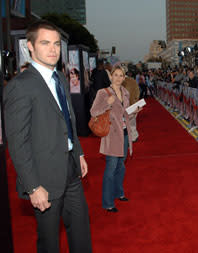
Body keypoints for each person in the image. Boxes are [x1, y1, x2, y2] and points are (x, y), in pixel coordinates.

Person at [4, 20, 92, 252]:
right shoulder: (20, 86)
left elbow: (69, 121)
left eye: (56, 44)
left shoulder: (61, 78)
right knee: (49, 242)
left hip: (71, 169)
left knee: (82, 232)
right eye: (45, 43)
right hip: (44, 177)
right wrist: (33, 187)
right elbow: (18, 142)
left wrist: (79, 153)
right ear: (30, 47)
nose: (53, 49)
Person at [90, 66, 135, 212]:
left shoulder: (125, 92)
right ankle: (108, 202)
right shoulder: (103, 92)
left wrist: (134, 111)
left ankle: (118, 193)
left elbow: (125, 114)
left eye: (121, 75)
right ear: (111, 77)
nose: (118, 78)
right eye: (115, 75)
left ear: (124, 78)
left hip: (124, 133)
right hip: (111, 135)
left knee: (121, 167)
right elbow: (93, 111)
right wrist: (107, 103)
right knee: (110, 169)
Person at [121, 68, 140, 142]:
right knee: (132, 121)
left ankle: (127, 137)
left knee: (124, 122)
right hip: (133, 103)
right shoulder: (133, 81)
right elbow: (137, 92)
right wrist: (135, 100)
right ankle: (134, 136)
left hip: (124, 105)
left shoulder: (118, 81)